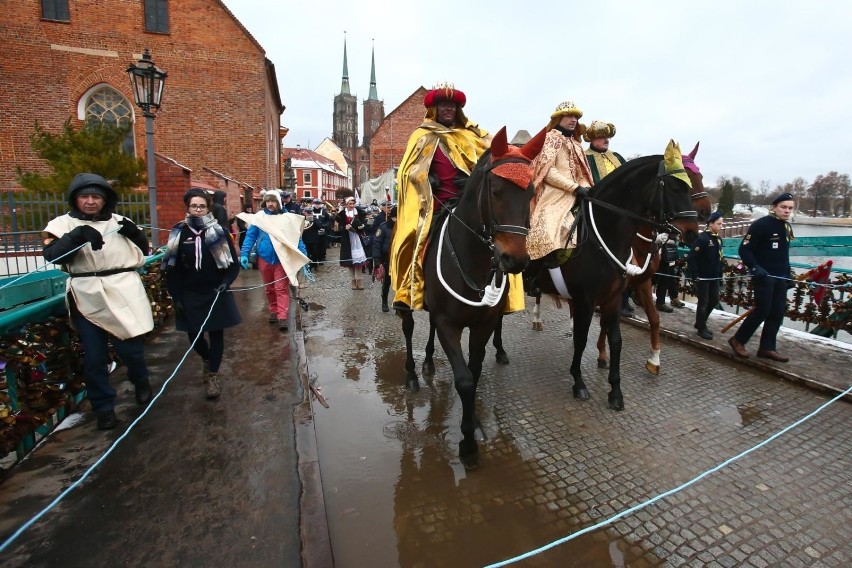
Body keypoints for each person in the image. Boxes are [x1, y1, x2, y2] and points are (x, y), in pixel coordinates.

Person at [42, 173, 153, 430]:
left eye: (96, 197)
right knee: (94, 357)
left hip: (122, 289)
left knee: (131, 350)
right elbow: (52, 255)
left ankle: (141, 381)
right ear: (75, 199)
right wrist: (78, 235)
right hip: (86, 294)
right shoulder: (61, 225)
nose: (90, 202)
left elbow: (143, 251)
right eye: (84, 196)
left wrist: (135, 234)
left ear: (105, 200)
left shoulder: (120, 221)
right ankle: (104, 408)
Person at [388, 82, 491, 311]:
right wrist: (425, 179)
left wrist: (475, 181)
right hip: (437, 202)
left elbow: (490, 165)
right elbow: (407, 171)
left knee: (499, 236)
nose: (448, 110)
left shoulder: (472, 136)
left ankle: (506, 290)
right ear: (434, 109)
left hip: (470, 202)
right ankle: (408, 290)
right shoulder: (422, 135)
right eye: (443, 105)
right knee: (411, 236)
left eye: (452, 106)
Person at [162, 189, 241, 399]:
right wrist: (176, 296)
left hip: (215, 291)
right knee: (194, 336)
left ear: (209, 208)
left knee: (216, 334)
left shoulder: (219, 232)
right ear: (187, 207)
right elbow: (172, 267)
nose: (198, 210)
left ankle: (213, 375)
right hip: (190, 293)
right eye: (194, 206)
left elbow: (232, 265)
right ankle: (206, 359)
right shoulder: (179, 232)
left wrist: (226, 282)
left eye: (202, 206)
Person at [728, 192, 795, 362]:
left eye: (790, 208)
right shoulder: (761, 225)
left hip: (780, 277)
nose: (787, 211)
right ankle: (738, 340)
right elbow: (745, 249)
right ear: (774, 207)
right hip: (763, 276)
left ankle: (767, 347)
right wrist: (754, 267)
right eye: (784, 207)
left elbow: (782, 253)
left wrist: (788, 274)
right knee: (763, 309)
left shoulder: (786, 227)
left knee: (777, 312)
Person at [526, 100, 595, 262]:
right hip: (554, 194)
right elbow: (547, 171)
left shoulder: (577, 144)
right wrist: (574, 187)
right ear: (559, 118)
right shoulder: (549, 139)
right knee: (548, 228)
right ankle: (535, 272)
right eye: (569, 116)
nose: (573, 120)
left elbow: (583, 172)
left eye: (576, 117)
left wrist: (585, 186)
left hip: (581, 192)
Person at [583, 120, 631, 314]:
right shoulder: (584, 157)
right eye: (603, 137)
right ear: (593, 139)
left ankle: (625, 296)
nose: (606, 140)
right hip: (595, 209)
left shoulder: (617, 157)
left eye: (608, 137)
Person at [240, 191, 292, 331]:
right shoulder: (259, 218)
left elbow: (296, 238)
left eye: (273, 201)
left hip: (281, 259)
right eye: (267, 201)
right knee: (269, 288)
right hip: (264, 258)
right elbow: (250, 236)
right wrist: (244, 253)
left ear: (278, 203)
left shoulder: (286, 218)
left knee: (280, 288)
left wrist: (302, 255)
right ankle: (274, 310)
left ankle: (282, 316)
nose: (270, 204)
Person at [688, 211, 724, 339]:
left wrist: (720, 275)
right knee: (703, 302)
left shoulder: (718, 239)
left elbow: (718, 259)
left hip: (714, 276)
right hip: (703, 276)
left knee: (713, 300)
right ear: (710, 223)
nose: (721, 226)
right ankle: (701, 328)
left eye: (721, 224)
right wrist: (695, 275)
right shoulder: (702, 238)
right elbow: (692, 257)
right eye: (719, 224)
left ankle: (700, 322)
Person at [336, 196, 368, 289]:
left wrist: (362, 226)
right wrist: (344, 228)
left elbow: (364, 223)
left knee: (358, 260)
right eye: (350, 204)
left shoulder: (359, 212)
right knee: (350, 260)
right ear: (346, 204)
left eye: (353, 204)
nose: (352, 205)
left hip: (357, 238)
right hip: (347, 239)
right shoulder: (342, 214)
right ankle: (353, 280)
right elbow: (339, 227)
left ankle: (359, 280)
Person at [372, 205, 397, 312]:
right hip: (386, 258)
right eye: (396, 217)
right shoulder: (383, 227)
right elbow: (376, 243)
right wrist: (377, 260)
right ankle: (384, 301)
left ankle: (398, 302)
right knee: (387, 282)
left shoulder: (402, 227)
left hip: (398, 259)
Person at [655, 240, 685, 312]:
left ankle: (674, 298)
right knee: (662, 278)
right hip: (661, 254)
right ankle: (660, 303)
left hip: (670, 254)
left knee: (672, 277)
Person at [302, 198, 331, 271]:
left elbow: (328, 220)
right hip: (308, 237)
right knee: (309, 252)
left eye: (318, 204)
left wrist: (325, 226)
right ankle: (310, 264)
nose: (317, 205)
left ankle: (319, 261)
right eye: (316, 204)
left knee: (319, 249)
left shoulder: (323, 211)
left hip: (318, 235)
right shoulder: (304, 216)